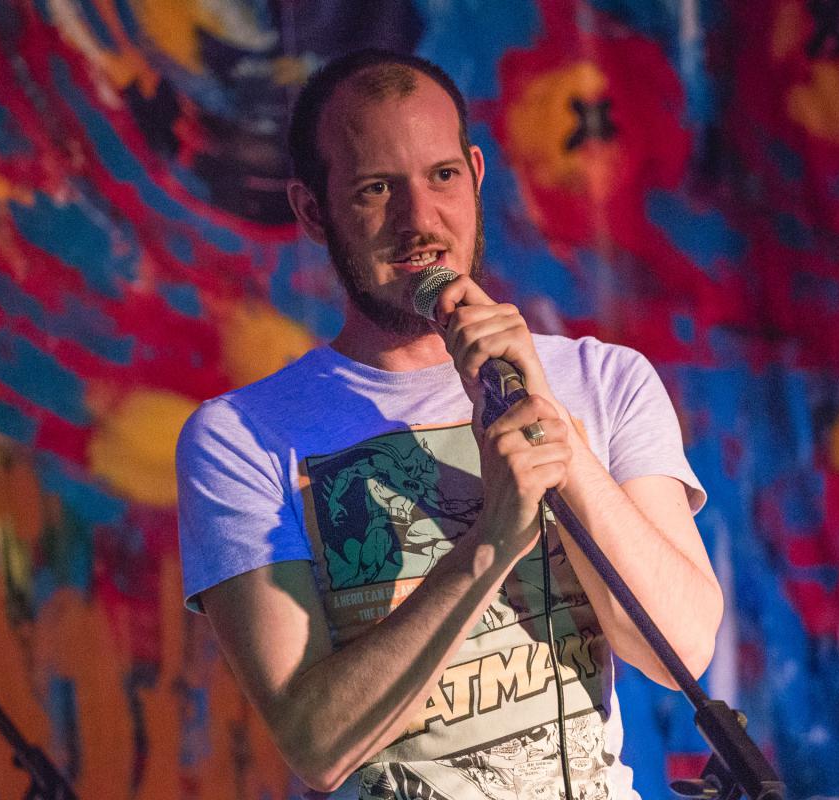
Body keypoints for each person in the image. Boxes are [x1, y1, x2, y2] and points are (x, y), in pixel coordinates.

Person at [175, 48, 723, 800]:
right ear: (312, 211)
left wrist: (557, 433)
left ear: (475, 172)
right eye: (376, 189)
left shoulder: (604, 380)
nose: (420, 221)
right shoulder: (242, 437)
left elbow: (679, 651)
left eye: (441, 176)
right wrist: (490, 544)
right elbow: (317, 742)